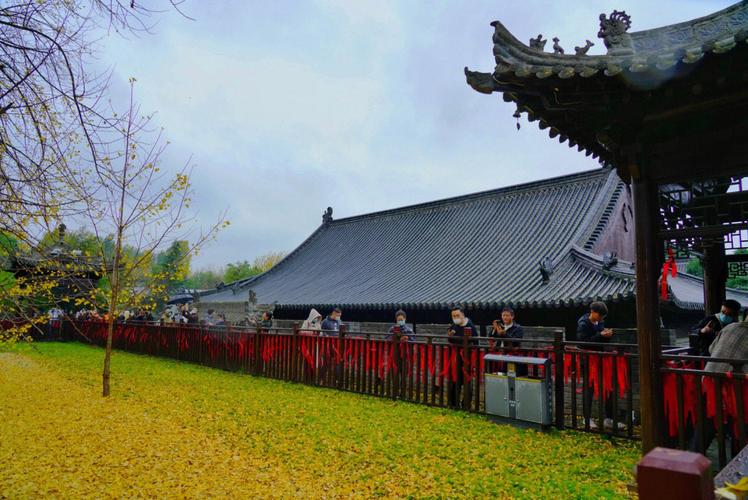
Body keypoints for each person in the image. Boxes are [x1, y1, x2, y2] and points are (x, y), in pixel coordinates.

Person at [576, 301, 622, 431]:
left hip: (601, 359)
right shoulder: (583, 323)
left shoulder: (600, 322)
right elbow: (582, 343)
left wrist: (608, 335)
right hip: (588, 360)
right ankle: (587, 418)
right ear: (593, 312)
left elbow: (600, 340)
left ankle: (609, 418)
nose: (602, 319)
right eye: (600, 316)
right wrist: (599, 335)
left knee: (608, 387)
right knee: (588, 388)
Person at [446, 306, 477, 408]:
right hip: (455, 357)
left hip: (467, 358)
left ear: (463, 315)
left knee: (468, 380)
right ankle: (454, 403)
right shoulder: (453, 325)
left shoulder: (470, 326)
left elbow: (475, 342)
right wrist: (450, 337)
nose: (455, 318)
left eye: (457, 315)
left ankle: (466, 405)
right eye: (453, 316)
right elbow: (450, 339)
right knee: (454, 380)